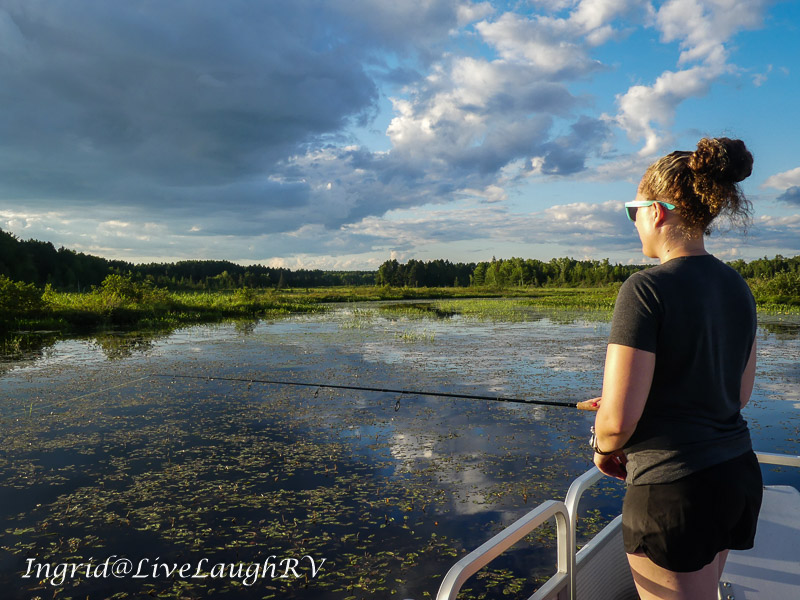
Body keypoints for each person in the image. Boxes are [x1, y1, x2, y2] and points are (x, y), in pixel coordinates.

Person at [587, 137, 762, 600]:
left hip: (674, 494)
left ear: (657, 212)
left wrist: (603, 444)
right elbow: (736, 395)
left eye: (633, 210)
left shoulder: (644, 290)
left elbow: (617, 422)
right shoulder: (737, 287)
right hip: (736, 478)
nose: (634, 222)